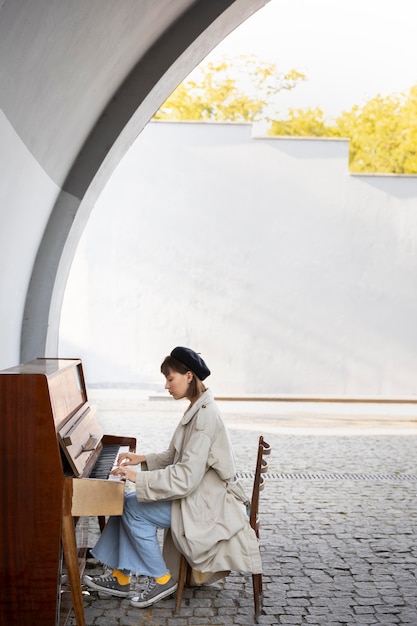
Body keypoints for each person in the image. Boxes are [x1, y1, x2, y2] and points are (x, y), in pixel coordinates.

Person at [83, 346, 262, 609]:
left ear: (189, 376)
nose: (166, 386)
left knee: (132, 508)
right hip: (199, 493)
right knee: (126, 501)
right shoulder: (198, 408)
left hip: (205, 504)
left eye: (170, 379)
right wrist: (142, 459)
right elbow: (175, 455)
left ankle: (162, 578)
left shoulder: (204, 419)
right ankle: (121, 577)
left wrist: (137, 478)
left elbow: (185, 478)